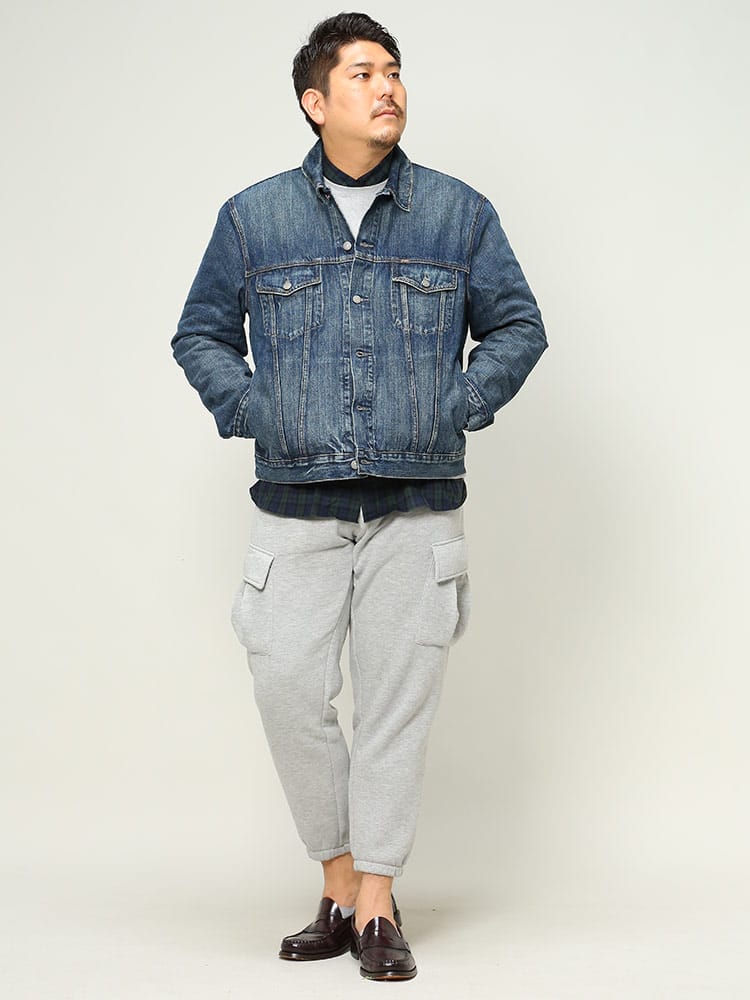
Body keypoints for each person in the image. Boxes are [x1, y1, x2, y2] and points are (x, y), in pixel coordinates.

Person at [171, 10, 547, 983]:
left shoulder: (457, 213)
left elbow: (517, 325)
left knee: (394, 705)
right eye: (364, 73)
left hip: (417, 505)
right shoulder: (256, 217)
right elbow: (201, 331)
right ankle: (336, 881)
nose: (388, 87)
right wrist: (254, 407)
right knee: (287, 685)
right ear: (316, 100)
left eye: (395, 71)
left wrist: (456, 403)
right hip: (295, 501)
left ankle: (374, 902)